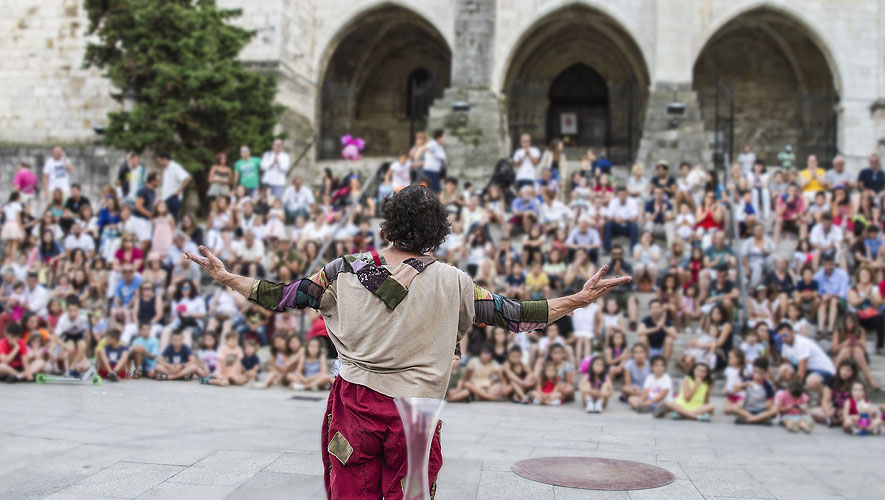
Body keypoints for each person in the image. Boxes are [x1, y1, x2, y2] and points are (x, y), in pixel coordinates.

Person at [184, 184, 629, 498]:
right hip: (415, 414)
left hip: (354, 406)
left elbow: (283, 296)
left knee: (350, 491)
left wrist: (227, 277)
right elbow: (516, 314)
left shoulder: (343, 270)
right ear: (437, 235)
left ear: (386, 228)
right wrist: (578, 299)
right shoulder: (454, 282)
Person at [777, 322, 835, 399]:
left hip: (822, 369)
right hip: (808, 369)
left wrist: (794, 384)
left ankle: (829, 396)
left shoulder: (801, 343)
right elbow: (788, 364)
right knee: (783, 369)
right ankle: (797, 393)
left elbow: (802, 370)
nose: (783, 339)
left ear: (793, 332)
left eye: (785, 335)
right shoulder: (785, 345)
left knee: (811, 381)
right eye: (780, 337)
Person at [731, 357, 776, 425]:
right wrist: (745, 384)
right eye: (755, 371)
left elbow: (770, 401)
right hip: (748, 409)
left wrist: (768, 403)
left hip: (761, 409)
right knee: (734, 407)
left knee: (774, 410)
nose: (757, 375)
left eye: (760, 372)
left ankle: (749, 420)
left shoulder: (767, 385)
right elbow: (734, 388)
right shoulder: (748, 379)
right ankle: (757, 419)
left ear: (765, 373)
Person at [156, 152, 191, 222]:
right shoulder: (166, 168)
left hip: (172, 197)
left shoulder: (174, 167)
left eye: (160, 161)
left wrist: (178, 191)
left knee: (172, 220)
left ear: (165, 159)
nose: (159, 163)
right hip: (166, 198)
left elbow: (187, 178)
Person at [603, 187, 639, 253]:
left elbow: (634, 217)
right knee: (607, 224)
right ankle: (607, 249)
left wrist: (624, 220)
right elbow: (608, 216)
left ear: (627, 195)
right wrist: (615, 219)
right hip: (616, 225)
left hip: (627, 226)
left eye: (624, 195)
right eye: (620, 195)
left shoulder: (632, 202)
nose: (622, 197)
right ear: (618, 195)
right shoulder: (613, 201)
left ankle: (633, 250)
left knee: (634, 225)